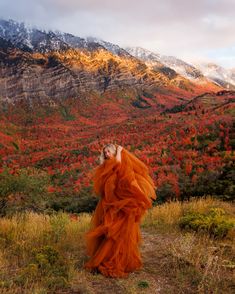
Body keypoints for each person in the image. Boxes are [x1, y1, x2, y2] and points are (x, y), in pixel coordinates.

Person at [84, 143, 156, 278]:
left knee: (119, 233)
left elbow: (119, 166)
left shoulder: (117, 163)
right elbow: (113, 171)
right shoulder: (106, 165)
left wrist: (119, 151)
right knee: (110, 232)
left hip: (119, 203)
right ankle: (108, 259)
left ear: (113, 152)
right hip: (110, 203)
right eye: (104, 152)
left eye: (108, 152)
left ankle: (120, 261)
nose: (106, 154)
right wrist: (119, 152)